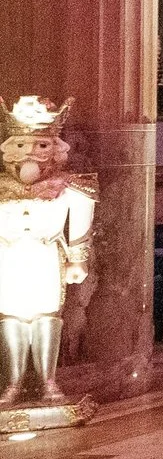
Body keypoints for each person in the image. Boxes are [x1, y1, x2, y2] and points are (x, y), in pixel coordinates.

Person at [0, 95, 96, 428]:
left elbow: (80, 228)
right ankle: (12, 384)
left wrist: (77, 260)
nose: (30, 152)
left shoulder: (72, 190)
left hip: (44, 257)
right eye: (22, 143)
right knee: (12, 315)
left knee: (46, 314)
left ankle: (47, 379)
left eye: (40, 144)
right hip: (9, 258)